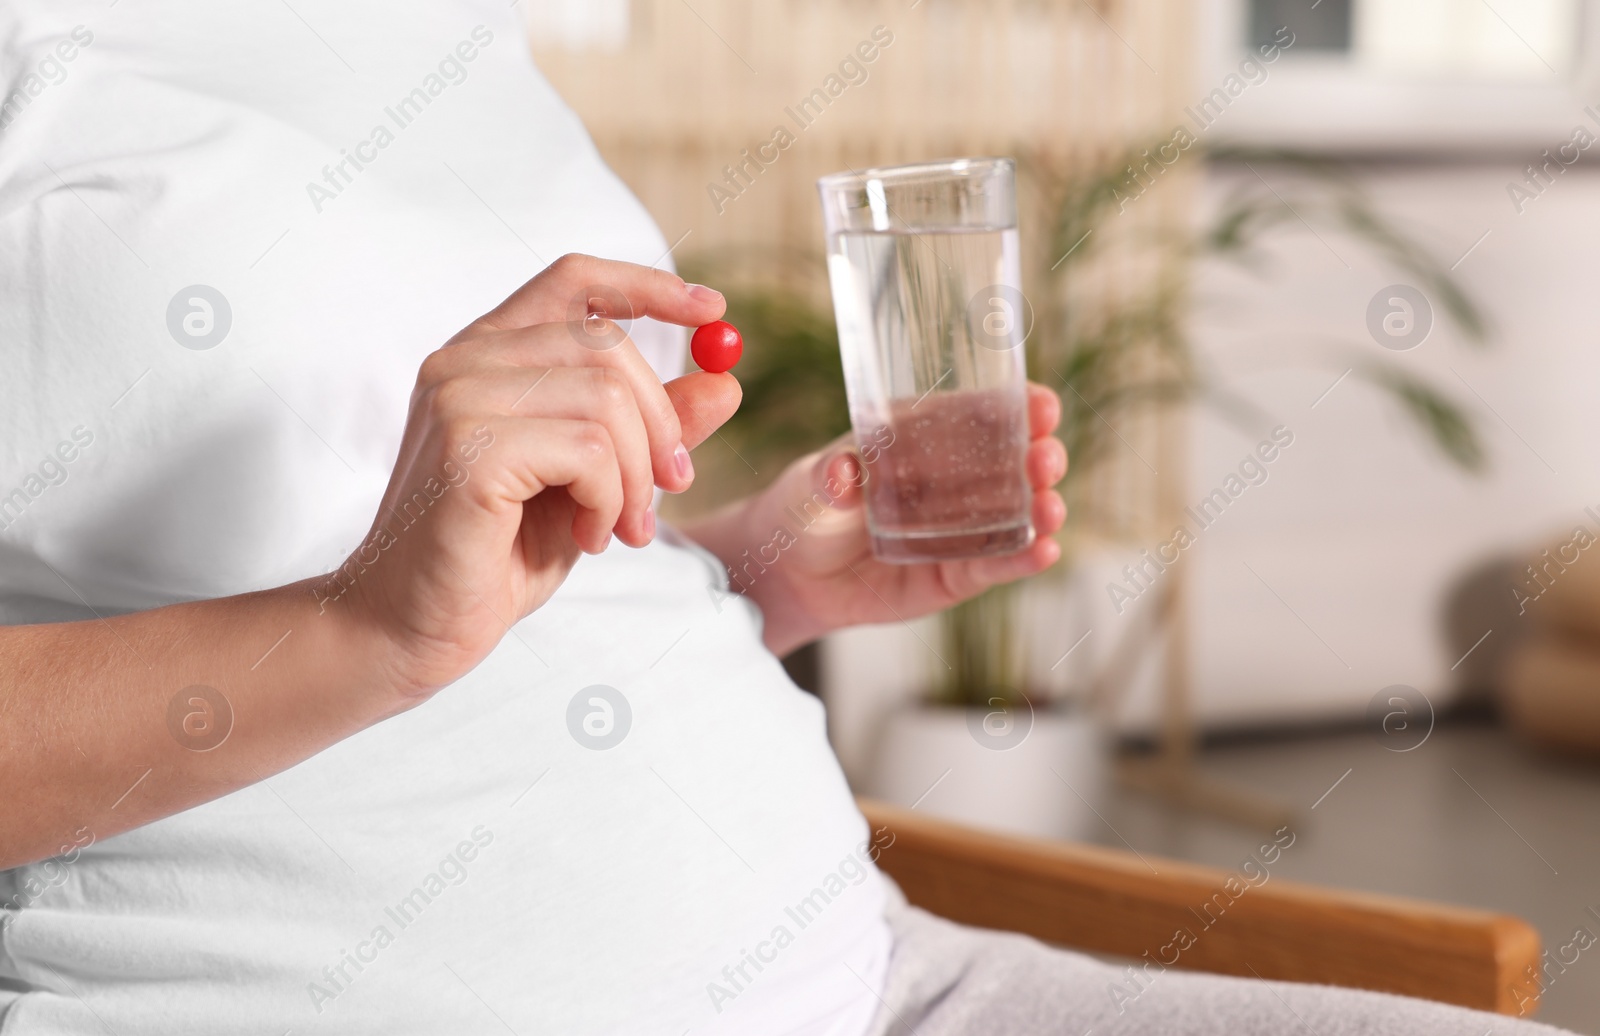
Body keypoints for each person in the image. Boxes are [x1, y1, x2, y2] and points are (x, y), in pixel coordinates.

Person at [0, 3, 1574, 1034]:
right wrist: (360, 630)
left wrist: (749, 575)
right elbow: (390, 592)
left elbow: (503, 572)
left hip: (886, 986)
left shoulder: (447, 37)